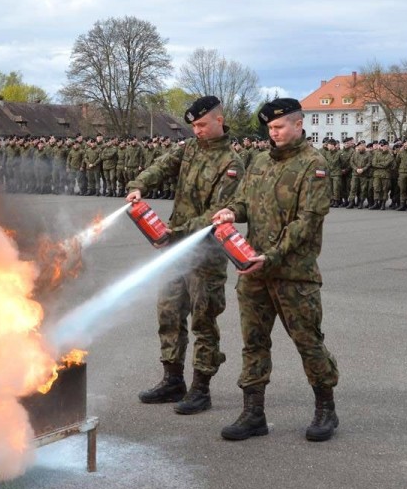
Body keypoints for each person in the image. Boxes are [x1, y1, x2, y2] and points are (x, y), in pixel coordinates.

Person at [210, 98, 341, 442]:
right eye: (270, 128)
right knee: (253, 342)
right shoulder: (259, 160)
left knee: (308, 342)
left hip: (293, 275)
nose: (274, 133)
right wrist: (229, 212)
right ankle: (253, 413)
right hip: (254, 271)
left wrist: (272, 255)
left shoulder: (314, 165)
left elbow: (307, 223)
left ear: (299, 125)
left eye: (280, 127)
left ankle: (325, 408)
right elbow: (245, 201)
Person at [126, 96, 243, 416]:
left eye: (202, 124)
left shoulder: (231, 163)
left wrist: (174, 233)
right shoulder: (189, 149)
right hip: (176, 251)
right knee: (168, 312)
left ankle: (201, 388)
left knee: (204, 320)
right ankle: (172, 379)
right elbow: (161, 166)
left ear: (219, 120)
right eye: (193, 126)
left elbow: (216, 215)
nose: (198, 130)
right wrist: (139, 185)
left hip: (206, 255)